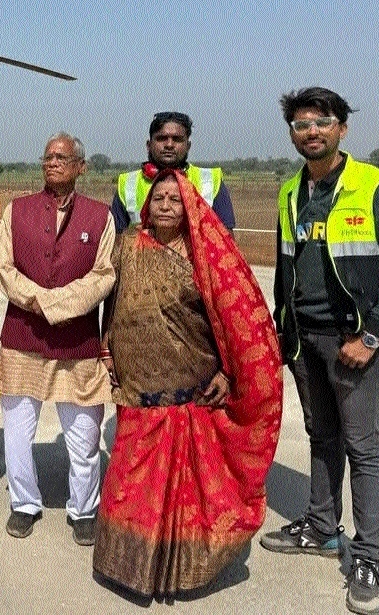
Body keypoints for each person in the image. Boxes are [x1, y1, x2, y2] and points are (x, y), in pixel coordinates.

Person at [261, 87, 379, 615]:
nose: (312, 131)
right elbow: (285, 269)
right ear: (292, 134)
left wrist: (371, 336)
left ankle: (370, 557)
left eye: (322, 122)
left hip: (356, 344)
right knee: (321, 436)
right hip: (305, 341)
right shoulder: (290, 192)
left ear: (342, 129)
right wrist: (284, 332)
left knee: (362, 447)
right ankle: (322, 527)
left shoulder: (378, 187)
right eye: (302, 124)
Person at [93, 170, 283, 598]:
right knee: (133, 477)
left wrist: (227, 371)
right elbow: (110, 299)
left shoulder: (208, 253)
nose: (164, 205)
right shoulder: (128, 244)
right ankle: (130, 566)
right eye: (158, 198)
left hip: (191, 380)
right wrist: (106, 348)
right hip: (138, 381)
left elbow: (231, 315)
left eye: (174, 199)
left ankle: (184, 570)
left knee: (188, 484)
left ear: (190, 207)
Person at [0, 133, 114, 545]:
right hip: (23, 340)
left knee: (84, 437)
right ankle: (24, 504)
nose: (53, 162)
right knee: (17, 433)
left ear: (81, 166)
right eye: (48, 156)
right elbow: (5, 269)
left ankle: (84, 509)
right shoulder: (16, 211)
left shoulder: (100, 216)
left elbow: (104, 275)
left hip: (76, 345)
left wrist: (59, 305)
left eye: (62, 157)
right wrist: (39, 301)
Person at [111, 111, 235, 232]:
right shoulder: (128, 184)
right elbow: (117, 239)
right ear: (149, 145)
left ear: (188, 146)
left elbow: (227, 239)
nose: (169, 145)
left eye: (177, 139)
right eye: (161, 138)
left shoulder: (211, 181)